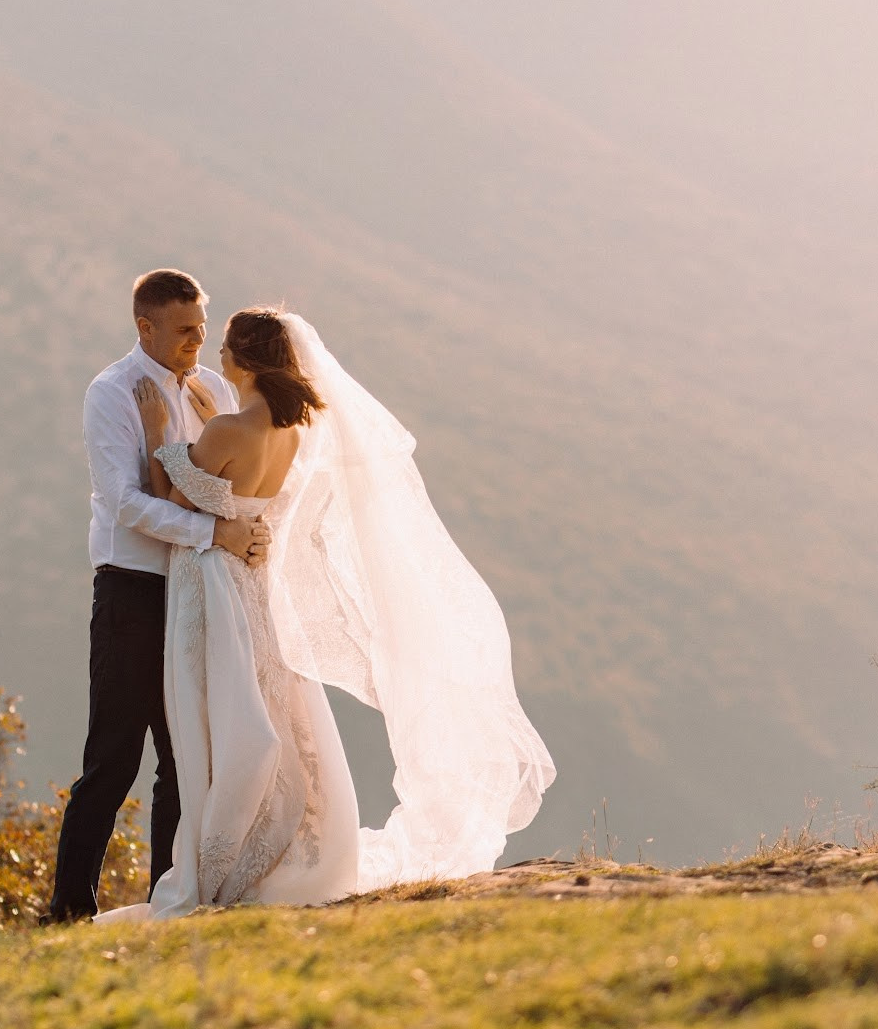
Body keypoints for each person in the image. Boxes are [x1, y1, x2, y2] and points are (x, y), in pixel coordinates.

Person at [101, 304, 555, 920]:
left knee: (221, 714)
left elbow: (169, 497)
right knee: (276, 711)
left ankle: (225, 856)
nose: (216, 355)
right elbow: (239, 488)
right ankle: (281, 840)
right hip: (257, 586)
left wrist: (160, 436)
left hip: (214, 583)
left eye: (226, 347)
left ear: (246, 362)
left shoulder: (227, 432)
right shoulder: (286, 431)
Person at [44, 269, 270, 924]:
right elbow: (125, 501)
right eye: (184, 330)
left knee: (184, 758)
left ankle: (166, 903)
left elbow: (225, 474)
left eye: (203, 327)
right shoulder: (111, 391)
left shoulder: (215, 388)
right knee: (112, 757)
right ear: (145, 326)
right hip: (132, 589)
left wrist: (236, 537)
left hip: (199, 592)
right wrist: (215, 532)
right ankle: (66, 908)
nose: (197, 341)